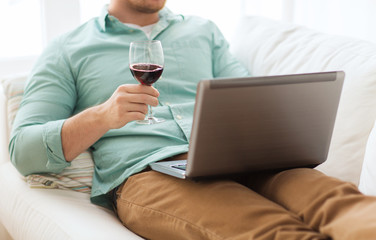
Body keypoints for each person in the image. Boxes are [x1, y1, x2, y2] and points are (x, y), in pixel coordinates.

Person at [9, 0, 376, 239]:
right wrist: (102, 116)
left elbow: (252, 95)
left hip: (242, 157)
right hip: (149, 173)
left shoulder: (203, 31)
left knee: (343, 205)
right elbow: (23, 149)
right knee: (272, 231)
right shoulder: (68, 47)